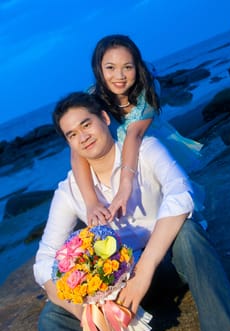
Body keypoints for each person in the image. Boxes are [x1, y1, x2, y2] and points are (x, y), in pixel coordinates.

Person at [34, 92, 230, 331]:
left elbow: (181, 193)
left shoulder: (144, 149)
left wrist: (143, 271)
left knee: (189, 234)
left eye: (86, 124)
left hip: (168, 265)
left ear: (104, 118)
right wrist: (84, 312)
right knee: (51, 320)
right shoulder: (70, 191)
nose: (83, 137)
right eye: (72, 134)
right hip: (117, 293)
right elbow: (45, 260)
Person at [71, 34, 204, 228]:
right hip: (117, 153)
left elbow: (135, 135)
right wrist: (91, 202)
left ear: (137, 67)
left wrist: (125, 185)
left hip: (148, 143)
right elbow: (78, 152)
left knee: (166, 187)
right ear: (98, 69)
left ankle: (187, 221)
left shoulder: (147, 88)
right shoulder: (91, 99)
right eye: (110, 68)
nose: (120, 76)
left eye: (127, 67)